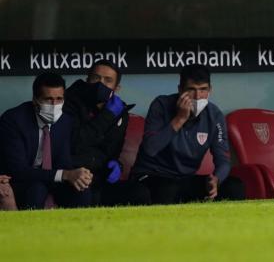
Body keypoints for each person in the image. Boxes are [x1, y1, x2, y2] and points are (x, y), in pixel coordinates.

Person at [130, 65, 245, 204]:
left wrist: (217, 179)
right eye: (191, 89)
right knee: (168, 189)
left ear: (210, 90)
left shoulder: (214, 115)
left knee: (234, 186)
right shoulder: (160, 105)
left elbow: (223, 160)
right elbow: (151, 148)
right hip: (151, 176)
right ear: (180, 90)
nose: (197, 96)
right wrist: (180, 119)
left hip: (184, 179)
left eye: (203, 89)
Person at [0, 73, 93, 210]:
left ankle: (79, 230)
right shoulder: (13, 120)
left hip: (51, 178)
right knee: (37, 188)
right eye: (48, 99)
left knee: (82, 191)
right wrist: (65, 174)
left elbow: (63, 162)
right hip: (23, 180)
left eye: (59, 99)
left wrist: (79, 175)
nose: (54, 105)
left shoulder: (65, 121)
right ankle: (32, 230)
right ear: (35, 100)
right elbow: (19, 170)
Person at [64, 60, 146, 206]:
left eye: (108, 80)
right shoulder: (69, 103)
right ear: (88, 80)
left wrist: (116, 165)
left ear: (116, 88)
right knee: (87, 193)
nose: (100, 84)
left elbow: (113, 152)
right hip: (74, 175)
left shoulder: (120, 112)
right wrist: (107, 115)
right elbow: (76, 144)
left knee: (139, 193)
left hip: (100, 178)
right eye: (96, 78)